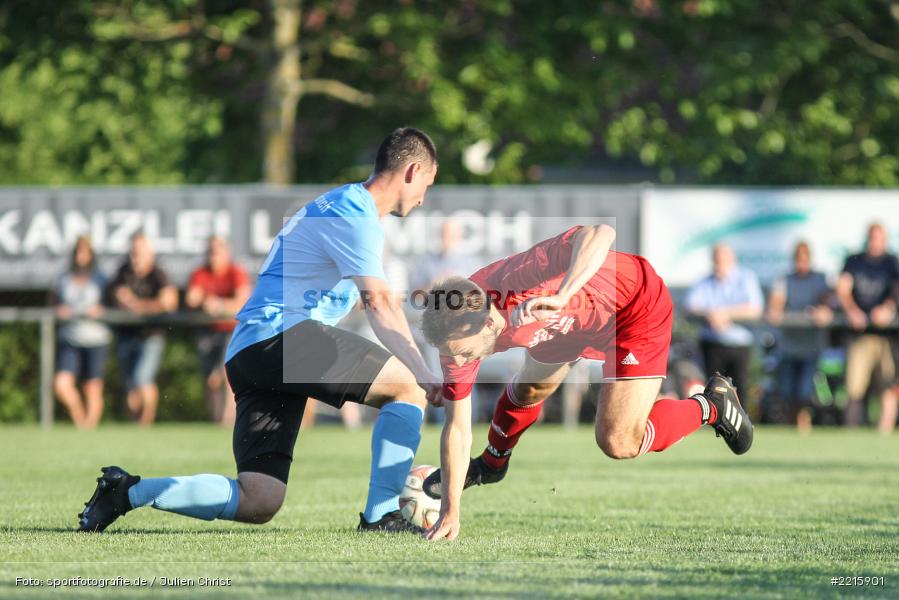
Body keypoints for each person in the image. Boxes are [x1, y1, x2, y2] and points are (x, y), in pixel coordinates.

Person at [78, 127, 442, 535]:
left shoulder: (341, 205)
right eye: (427, 184)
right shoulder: (354, 212)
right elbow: (377, 302)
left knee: (258, 499)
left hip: (252, 350)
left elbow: (355, 294)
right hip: (282, 339)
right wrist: (423, 372)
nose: (424, 198)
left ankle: (127, 492)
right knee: (408, 387)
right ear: (412, 171)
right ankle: (382, 516)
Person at [418, 225, 755, 541]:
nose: (458, 362)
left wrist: (564, 295)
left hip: (633, 306)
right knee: (528, 389)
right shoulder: (454, 332)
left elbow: (601, 232)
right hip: (567, 322)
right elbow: (457, 426)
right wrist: (451, 510)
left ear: (486, 323)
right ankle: (492, 465)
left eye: (463, 353)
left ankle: (711, 406)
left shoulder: (518, 278)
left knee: (618, 440)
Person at [105, 233, 178, 426]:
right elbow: (113, 295)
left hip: (150, 334)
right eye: (133, 252)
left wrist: (136, 304)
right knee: (129, 384)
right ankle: (135, 423)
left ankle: (146, 423)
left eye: (139, 252)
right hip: (127, 333)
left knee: (143, 379)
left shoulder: (158, 273)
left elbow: (170, 302)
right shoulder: (123, 271)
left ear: (149, 253)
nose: (135, 257)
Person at [836, 223, 899, 426]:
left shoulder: (891, 262)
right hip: (860, 334)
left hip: (886, 335)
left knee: (889, 385)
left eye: (879, 238)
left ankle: (885, 431)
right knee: (854, 387)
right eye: (873, 238)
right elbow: (843, 289)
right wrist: (852, 311)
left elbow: (896, 291)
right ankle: (854, 431)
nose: (875, 243)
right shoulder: (854, 261)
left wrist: (888, 308)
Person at [766, 241, 833, 432]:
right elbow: (776, 302)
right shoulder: (784, 279)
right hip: (789, 345)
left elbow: (826, 302)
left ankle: (804, 425)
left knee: (804, 391)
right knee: (787, 390)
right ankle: (791, 425)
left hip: (811, 346)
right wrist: (775, 310)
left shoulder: (820, 279)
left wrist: (823, 310)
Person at [185, 236, 252, 426]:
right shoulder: (200, 273)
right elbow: (192, 298)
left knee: (226, 374)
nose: (213, 255)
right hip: (207, 331)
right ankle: (216, 419)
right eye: (211, 251)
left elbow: (242, 302)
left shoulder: (235, 272)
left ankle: (228, 420)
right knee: (210, 379)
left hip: (232, 330)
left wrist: (219, 305)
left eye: (217, 251)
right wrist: (209, 301)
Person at [684, 244, 764, 396]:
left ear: (732, 259)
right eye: (717, 260)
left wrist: (726, 314)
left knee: (739, 391)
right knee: (713, 391)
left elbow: (755, 309)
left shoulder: (746, 278)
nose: (719, 263)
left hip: (739, 344)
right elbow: (690, 306)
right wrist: (710, 314)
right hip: (712, 344)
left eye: (723, 259)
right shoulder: (705, 281)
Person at [51, 236, 112, 429]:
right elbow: (52, 302)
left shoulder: (101, 278)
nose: (81, 256)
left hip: (96, 337)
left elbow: (111, 303)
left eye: (85, 251)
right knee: (62, 385)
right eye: (78, 251)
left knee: (92, 387)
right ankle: (80, 421)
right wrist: (59, 310)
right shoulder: (63, 277)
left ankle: (90, 430)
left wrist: (101, 309)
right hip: (70, 337)